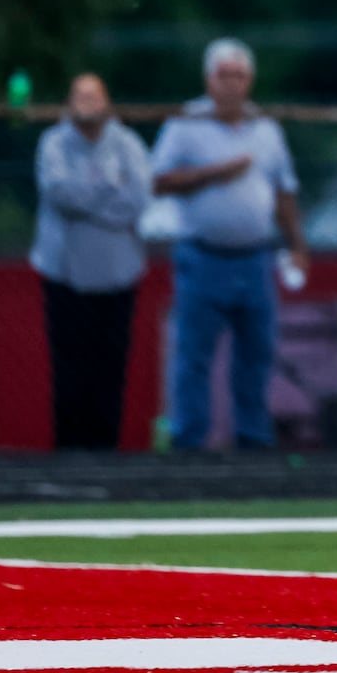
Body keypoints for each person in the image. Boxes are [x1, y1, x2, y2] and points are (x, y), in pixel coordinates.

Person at [151, 38, 309, 451]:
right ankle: (189, 442)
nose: (232, 85)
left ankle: (254, 441)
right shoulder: (187, 124)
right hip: (202, 256)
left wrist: (297, 245)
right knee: (193, 358)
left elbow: (285, 192)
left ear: (250, 81)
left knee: (256, 357)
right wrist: (214, 173)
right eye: (225, 76)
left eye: (240, 76)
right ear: (209, 80)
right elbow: (159, 180)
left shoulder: (267, 131)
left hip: (255, 258)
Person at [30, 73, 152, 449]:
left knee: (110, 367)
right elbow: (58, 193)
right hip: (65, 274)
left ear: (107, 101)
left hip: (117, 274)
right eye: (78, 95)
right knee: (69, 367)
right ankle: (68, 450)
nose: (86, 103)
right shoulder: (53, 143)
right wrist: (108, 193)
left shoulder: (128, 144)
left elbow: (138, 198)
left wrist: (90, 204)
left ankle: (105, 450)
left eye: (93, 95)